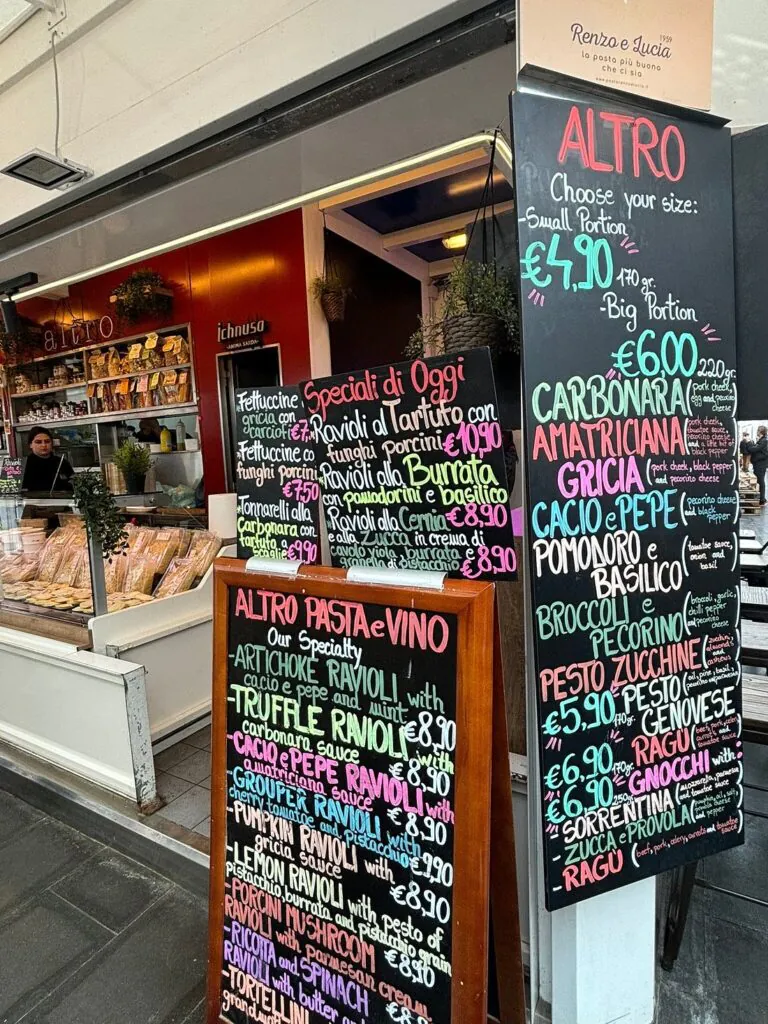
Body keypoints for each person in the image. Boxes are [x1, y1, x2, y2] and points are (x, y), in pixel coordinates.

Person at [21, 427, 75, 493]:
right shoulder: (23, 465)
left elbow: (72, 483)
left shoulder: (61, 462)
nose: (43, 445)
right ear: (30, 445)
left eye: (47, 441)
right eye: (38, 442)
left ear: (51, 443)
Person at [741, 425, 768, 506]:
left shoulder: (764, 441)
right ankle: (760, 498)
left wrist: (748, 442)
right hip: (758, 464)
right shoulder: (762, 440)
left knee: (760, 481)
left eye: (758, 430)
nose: (757, 432)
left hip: (761, 464)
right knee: (759, 481)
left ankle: (762, 500)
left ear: (760, 432)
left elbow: (753, 449)